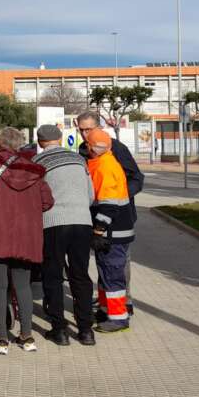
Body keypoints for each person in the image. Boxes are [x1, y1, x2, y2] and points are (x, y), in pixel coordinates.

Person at [0, 126, 54, 354]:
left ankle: (1, 340)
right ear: (19, 144)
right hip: (26, 235)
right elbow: (47, 202)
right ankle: (27, 337)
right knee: (23, 285)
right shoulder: (34, 169)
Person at [34, 125, 96, 346]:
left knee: (53, 276)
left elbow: (36, 197)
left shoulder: (38, 163)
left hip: (53, 223)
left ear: (40, 142)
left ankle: (59, 330)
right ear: (60, 139)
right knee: (80, 275)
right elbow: (91, 195)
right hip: (82, 222)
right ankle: (86, 330)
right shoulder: (80, 160)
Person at [76, 111, 143, 313]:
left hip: (119, 214)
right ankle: (107, 299)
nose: (85, 134)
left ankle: (125, 302)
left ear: (99, 128)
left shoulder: (116, 148)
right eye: (82, 130)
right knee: (103, 260)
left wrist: (116, 196)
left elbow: (137, 178)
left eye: (89, 129)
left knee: (119, 262)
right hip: (97, 215)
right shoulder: (83, 149)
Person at [86, 129, 135, 333]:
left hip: (112, 232)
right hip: (115, 230)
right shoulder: (104, 161)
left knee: (112, 273)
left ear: (92, 147)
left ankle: (118, 318)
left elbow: (108, 204)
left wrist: (98, 230)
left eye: (87, 143)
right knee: (106, 272)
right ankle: (107, 310)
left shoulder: (105, 167)